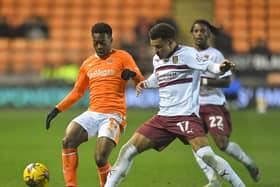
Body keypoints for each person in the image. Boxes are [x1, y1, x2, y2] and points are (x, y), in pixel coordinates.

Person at [105, 23, 246, 187]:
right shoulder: (158, 58)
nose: (156, 51)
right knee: (127, 150)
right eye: (153, 47)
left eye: (159, 46)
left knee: (207, 156)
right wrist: (145, 83)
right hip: (163, 118)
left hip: (185, 116)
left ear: (171, 42)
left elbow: (210, 66)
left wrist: (221, 68)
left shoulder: (188, 54)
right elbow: (159, 77)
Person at [45, 22, 144, 187]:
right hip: (92, 113)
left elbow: (140, 81)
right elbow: (77, 92)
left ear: (111, 40)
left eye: (102, 43)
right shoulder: (87, 64)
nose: (99, 46)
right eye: (95, 43)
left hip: (113, 115)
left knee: (100, 158)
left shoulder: (123, 57)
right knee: (68, 140)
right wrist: (57, 109)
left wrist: (132, 75)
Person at [190, 19, 260, 187]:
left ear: (208, 34)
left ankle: (247, 161)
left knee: (221, 144)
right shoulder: (187, 54)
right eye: (196, 31)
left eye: (203, 31)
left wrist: (204, 82)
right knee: (196, 143)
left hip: (214, 104)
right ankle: (212, 180)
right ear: (192, 34)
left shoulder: (216, 55)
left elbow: (227, 82)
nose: (199, 33)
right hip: (193, 106)